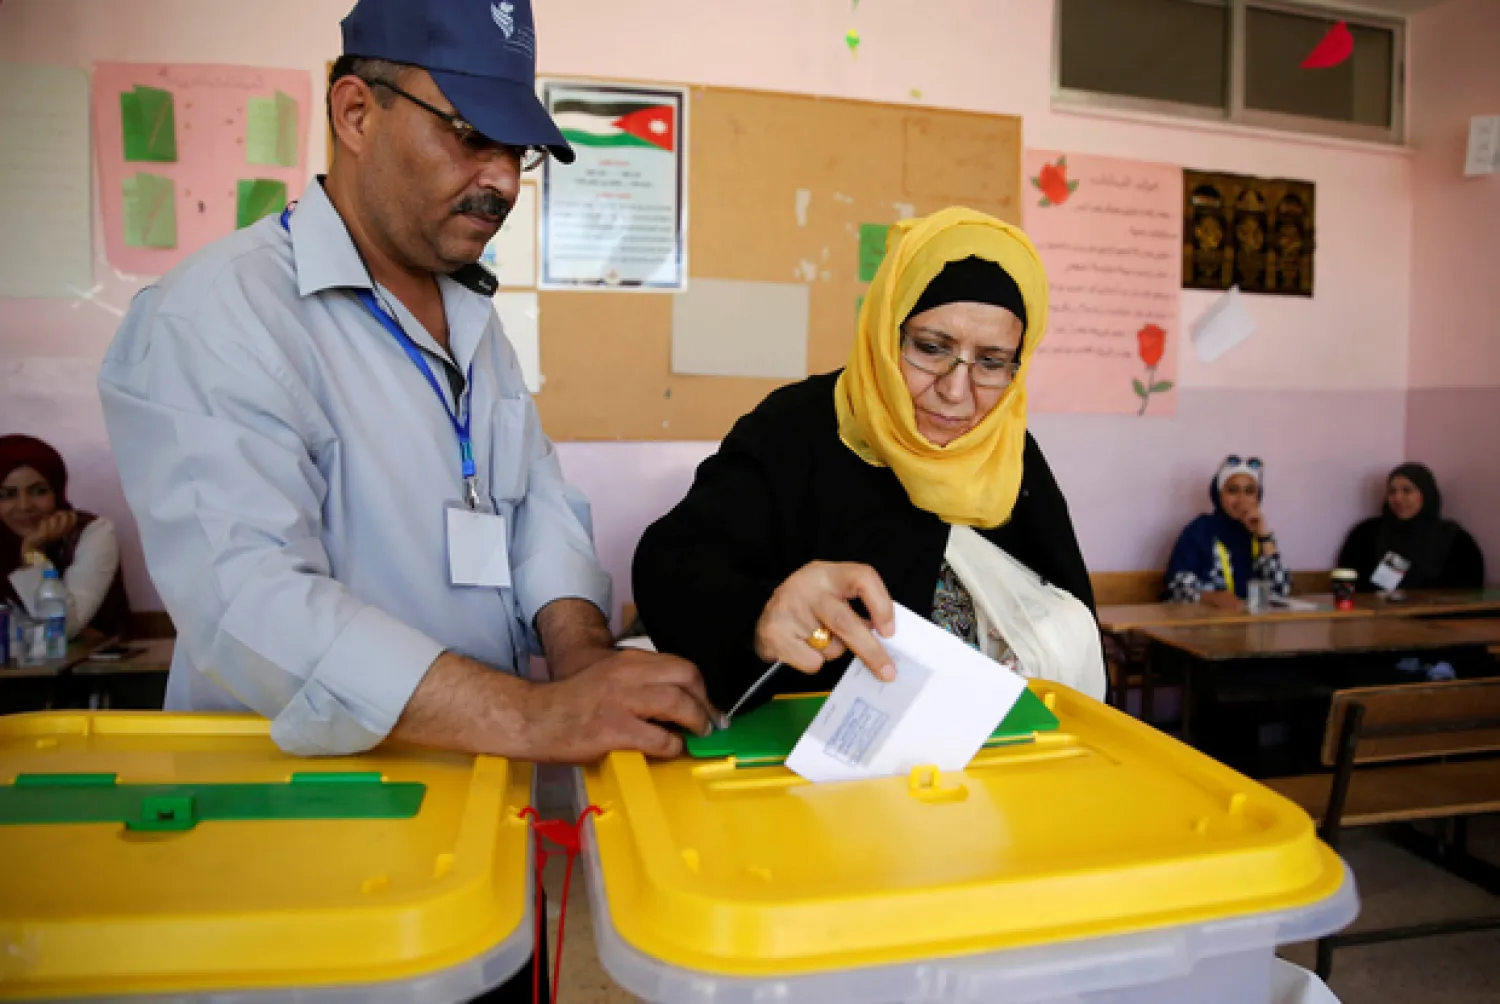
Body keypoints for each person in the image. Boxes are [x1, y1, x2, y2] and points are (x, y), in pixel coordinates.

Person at [99, 0, 716, 765]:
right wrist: (530, 716)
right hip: (297, 810)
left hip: (474, 792)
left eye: (516, 150)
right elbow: (249, 600)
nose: (501, 182)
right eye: (469, 136)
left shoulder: (470, 314)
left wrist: (581, 657)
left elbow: (538, 509)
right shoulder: (215, 314)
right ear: (356, 113)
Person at [632, 208, 1105, 711]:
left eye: (991, 362)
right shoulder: (797, 429)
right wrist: (762, 611)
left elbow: (1069, 611)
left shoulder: (1008, 451)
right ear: (885, 329)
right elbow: (671, 566)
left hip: (1009, 759)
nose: (955, 390)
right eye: (929, 347)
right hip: (819, 763)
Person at [1, 435, 131, 639]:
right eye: (8, 494)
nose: (24, 506)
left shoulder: (91, 532)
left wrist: (32, 554)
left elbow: (61, 630)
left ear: (57, 490)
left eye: (39, 491)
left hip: (93, 669)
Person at [1165, 456, 1291, 609]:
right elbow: (1177, 587)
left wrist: (1264, 536)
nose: (1241, 499)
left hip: (1249, 627)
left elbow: (1280, 590)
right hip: (1206, 626)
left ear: (1258, 497)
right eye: (1233, 491)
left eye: (1249, 491)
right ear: (1219, 494)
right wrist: (1211, 597)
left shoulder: (1258, 536)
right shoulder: (1199, 531)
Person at [1338, 463, 1485, 592]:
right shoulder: (1366, 534)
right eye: (1392, 492)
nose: (1398, 498)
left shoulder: (1454, 540)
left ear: (1426, 494)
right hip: (1377, 618)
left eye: (1407, 490)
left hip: (1437, 620)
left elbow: (1468, 592)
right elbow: (1347, 584)